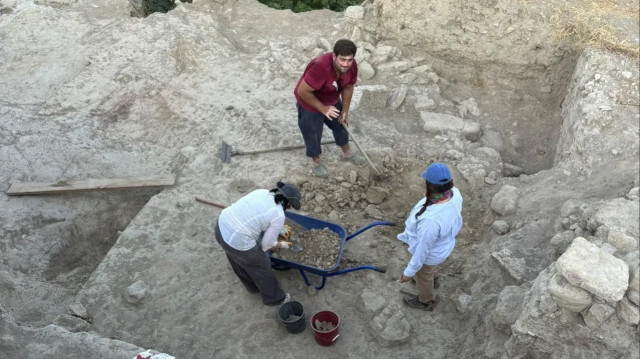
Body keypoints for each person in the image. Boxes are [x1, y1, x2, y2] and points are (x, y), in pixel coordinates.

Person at [214, 181, 302, 306]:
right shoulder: (278, 215)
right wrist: (283, 244)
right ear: (287, 202)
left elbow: (260, 216)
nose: (289, 208)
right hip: (237, 240)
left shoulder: (262, 192)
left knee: (237, 259)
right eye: (290, 205)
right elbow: (266, 245)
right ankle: (275, 298)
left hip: (221, 227)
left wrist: (280, 228)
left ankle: (252, 286)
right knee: (262, 265)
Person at [294, 38, 366, 178]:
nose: (346, 64)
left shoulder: (351, 66)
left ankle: (347, 151)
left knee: (341, 123)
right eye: (342, 59)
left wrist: (345, 110)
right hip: (309, 102)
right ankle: (315, 161)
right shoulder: (320, 67)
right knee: (313, 132)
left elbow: (348, 86)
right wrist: (323, 108)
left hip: (330, 98)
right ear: (334, 56)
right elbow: (302, 91)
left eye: (349, 60)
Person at [396, 163, 463, 311]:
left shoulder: (430, 221)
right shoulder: (454, 193)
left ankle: (425, 301)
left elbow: (422, 251)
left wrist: (408, 273)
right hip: (442, 246)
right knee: (429, 269)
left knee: (424, 275)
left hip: (431, 254)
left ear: (430, 185)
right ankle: (434, 279)